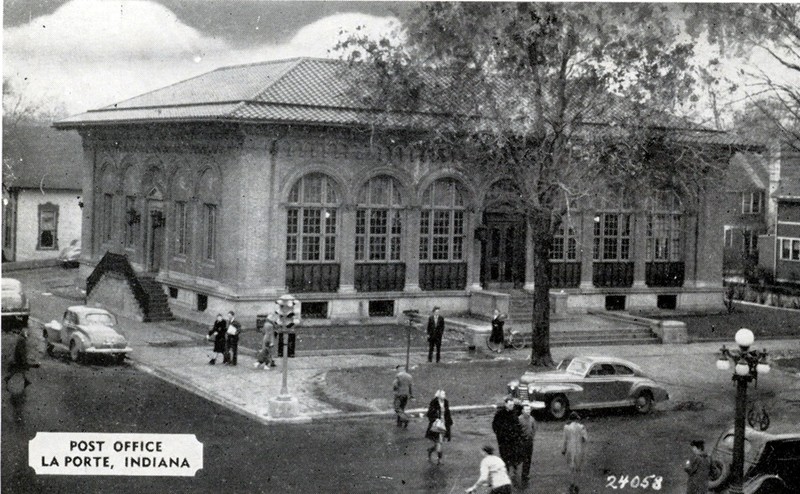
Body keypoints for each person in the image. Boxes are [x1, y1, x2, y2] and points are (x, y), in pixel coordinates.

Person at [492, 397, 523, 482]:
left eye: (512, 405)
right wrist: (500, 435)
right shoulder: (500, 414)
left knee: (514, 456)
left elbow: (518, 425)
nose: (511, 406)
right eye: (510, 405)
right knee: (505, 457)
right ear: (506, 404)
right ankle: (506, 473)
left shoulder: (514, 413)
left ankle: (513, 471)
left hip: (513, 440)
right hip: (504, 441)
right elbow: (495, 426)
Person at [562, 412, 589, 492]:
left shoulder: (566, 427)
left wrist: (563, 449)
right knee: (578, 467)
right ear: (577, 419)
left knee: (571, 466)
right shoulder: (581, 427)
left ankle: (571, 483)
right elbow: (584, 439)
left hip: (570, 448)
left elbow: (565, 440)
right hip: (578, 448)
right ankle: (576, 484)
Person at [425, 389, 452, 465]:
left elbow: (448, 413)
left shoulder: (446, 402)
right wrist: (435, 419)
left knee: (438, 443)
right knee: (439, 442)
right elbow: (429, 413)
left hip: (444, 424)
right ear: (439, 395)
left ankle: (430, 451)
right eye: (443, 394)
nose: (444, 396)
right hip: (437, 425)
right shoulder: (434, 402)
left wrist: (449, 423)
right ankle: (439, 460)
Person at [518, 401, 537, 487]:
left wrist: (532, 437)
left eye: (529, 409)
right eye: (526, 409)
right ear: (523, 410)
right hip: (522, 442)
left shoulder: (532, 419)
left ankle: (525, 474)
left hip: (529, 442)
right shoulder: (519, 419)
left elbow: (534, 429)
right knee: (522, 458)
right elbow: (517, 430)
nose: (528, 411)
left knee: (528, 459)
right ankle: (518, 474)